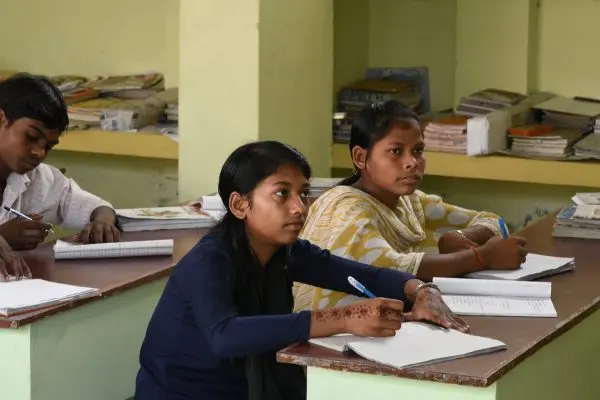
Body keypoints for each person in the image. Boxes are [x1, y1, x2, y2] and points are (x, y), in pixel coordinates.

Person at [134, 140, 468, 400]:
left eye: (304, 193)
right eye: (282, 193)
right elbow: (225, 336)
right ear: (240, 205)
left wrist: (421, 290)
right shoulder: (210, 259)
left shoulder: (286, 251)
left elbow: (362, 275)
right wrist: (345, 318)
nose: (299, 207)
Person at [294, 101, 528, 312]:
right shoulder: (347, 209)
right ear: (360, 158)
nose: (412, 162)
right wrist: (482, 257)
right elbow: (395, 272)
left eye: (417, 151)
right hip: (323, 343)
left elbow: (493, 221)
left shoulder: (409, 201)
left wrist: (458, 236)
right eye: (396, 151)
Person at [0, 73, 120, 279]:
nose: (39, 153)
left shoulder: (39, 179)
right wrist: (4, 236)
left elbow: (98, 207)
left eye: (48, 146)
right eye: (32, 137)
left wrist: (102, 222)